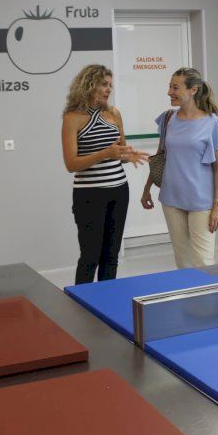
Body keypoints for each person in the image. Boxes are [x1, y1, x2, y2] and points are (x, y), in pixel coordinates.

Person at [62, 65, 148, 284]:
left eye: (110, 85)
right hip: (89, 195)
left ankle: (106, 300)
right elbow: (71, 164)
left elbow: (119, 151)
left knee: (111, 256)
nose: (109, 89)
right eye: (104, 84)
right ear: (88, 85)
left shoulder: (114, 113)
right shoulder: (72, 118)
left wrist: (127, 155)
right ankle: (80, 302)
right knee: (90, 256)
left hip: (119, 191)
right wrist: (104, 154)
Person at [140, 67, 218, 268]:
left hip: (202, 202)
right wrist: (147, 188)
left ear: (193, 90)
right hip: (172, 199)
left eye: (175, 87)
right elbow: (160, 157)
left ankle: (207, 291)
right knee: (182, 260)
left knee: (203, 262)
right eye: (169, 87)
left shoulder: (212, 123)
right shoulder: (168, 119)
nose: (169, 92)